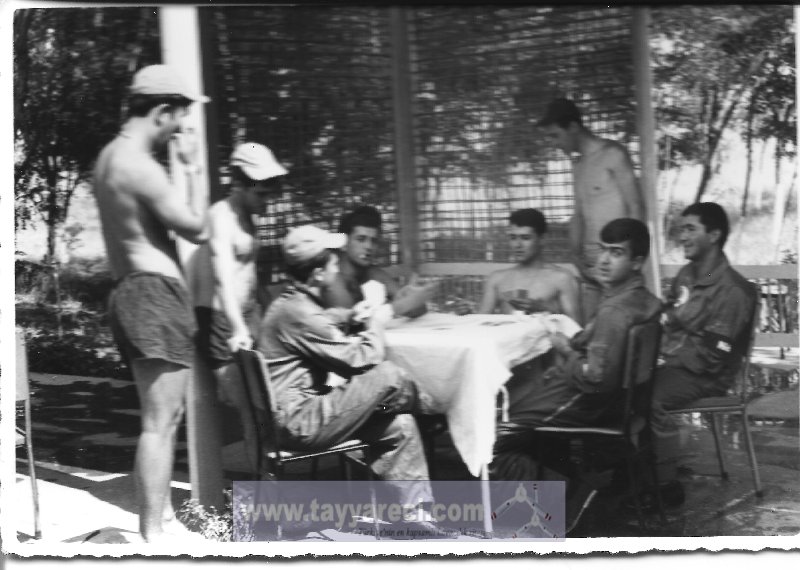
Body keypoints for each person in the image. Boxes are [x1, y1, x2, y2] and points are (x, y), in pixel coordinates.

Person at [93, 64, 209, 542]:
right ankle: (153, 538)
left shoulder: (107, 158)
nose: (177, 132)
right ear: (161, 111)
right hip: (154, 296)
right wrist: (192, 169)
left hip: (129, 292)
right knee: (160, 423)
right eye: (177, 120)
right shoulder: (140, 165)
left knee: (161, 419)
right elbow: (196, 227)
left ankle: (158, 527)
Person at [258, 225, 439, 524]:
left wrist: (350, 315)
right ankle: (434, 412)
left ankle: (417, 516)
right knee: (388, 375)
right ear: (318, 274)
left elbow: (322, 321)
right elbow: (362, 360)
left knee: (400, 424)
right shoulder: (301, 313)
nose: (337, 266)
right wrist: (378, 319)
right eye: (332, 261)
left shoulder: (290, 304)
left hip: (293, 418)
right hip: (300, 422)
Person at [490, 218, 661, 531]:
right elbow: (601, 349)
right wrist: (574, 348)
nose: (604, 260)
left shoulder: (615, 310)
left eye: (617, 253)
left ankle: (568, 498)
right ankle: (557, 489)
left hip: (592, 401)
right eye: (603, 250)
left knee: (496, 436)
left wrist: (565, 351)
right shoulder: (643, 300)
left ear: (637, 262)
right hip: (624, 402)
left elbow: (595, 378)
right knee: (524, 413)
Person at [647, 202, 757, 508]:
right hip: (677, 364)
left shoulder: (733, 290)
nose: (681, 236)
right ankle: (639, 469)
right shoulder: (688, 275)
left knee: (648, 399)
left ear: (714, 235)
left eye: (690, 229)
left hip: (707, 375)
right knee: (627, 386)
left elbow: (715, 353)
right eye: (681, 229)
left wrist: (665, 359)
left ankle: (666, 485)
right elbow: (668, 318)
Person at [191, 142, 287, 473]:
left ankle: (268, 483)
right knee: (251, 410)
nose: (266, 201)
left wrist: (268, 311)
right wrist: (238, 328)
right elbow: (222, 277)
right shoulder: (220, 217)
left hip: (247, 314)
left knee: (267, 406)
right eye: (260, 194)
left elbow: (248, 273)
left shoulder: (247, 215)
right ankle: (261, 492)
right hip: (222, 321)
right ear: (239, 184)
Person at [538, 98, 645, 322]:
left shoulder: (613, 154)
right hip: (590, 268)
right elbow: (578, 214)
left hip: (618, 264)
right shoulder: (578, 165)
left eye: (555, 135)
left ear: (573, 127)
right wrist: (575, 255)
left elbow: (636, 206)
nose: (553, 143)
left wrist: (632, 259)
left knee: (620, 326)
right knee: (588, 330)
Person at [462, 208, 580, 322]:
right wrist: (467, 316)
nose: (518, 245)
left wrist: (545, 310)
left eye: (525, 238)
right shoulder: (497, 279)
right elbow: (481, 321)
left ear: (542, 239)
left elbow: (575, 329)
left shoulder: (561, 278)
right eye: (513, 238)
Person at [322, 205, 434, 319]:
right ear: (343, 243)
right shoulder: (333, 278)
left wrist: (412, 296)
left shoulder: (372, 273)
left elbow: (418, 310)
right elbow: (349, 324)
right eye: (361, 239)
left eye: (373, 240)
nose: (369, 246)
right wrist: (397, 307)